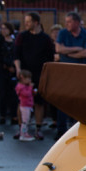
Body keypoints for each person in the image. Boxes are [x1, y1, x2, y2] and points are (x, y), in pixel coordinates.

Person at [13, 12, 56, 140]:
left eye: (28, 21)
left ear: (36, 22)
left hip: (39, 75)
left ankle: (38, 129)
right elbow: (16, 54)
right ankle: (22, 128)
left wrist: (46, 75)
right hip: (25, 74)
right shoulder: (22, 36)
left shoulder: (45, 39)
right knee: (22, 102)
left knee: (39, 102)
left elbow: (50, 58)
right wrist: (18, 69)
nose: (26, 24)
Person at [54, 12, 86, 137]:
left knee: (79, 101)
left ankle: (79, 129)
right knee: (63, 99)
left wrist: (67, 53)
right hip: (65, 71)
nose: (66, 24)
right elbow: (58, 49)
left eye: (69, 21)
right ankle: (61, 129)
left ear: (77, 22)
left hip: (80, 72)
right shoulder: (63, 33)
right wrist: (77, 49)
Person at [0, 21, 18, 126]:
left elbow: (17, 54)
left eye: (5, 28)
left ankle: (14, 116)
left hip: (13, 71)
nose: (3, 30)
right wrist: (7, 66)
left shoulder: (15, 41)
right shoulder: (0, 42)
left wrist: (14, 67)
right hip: (3, 71)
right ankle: (2, 115)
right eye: (2, 28)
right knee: (3, 94)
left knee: (14, 94)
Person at [15, 69, 37, 142]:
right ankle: (23, 135)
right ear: (22, 78)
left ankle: (25, 133)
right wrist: (30, 87)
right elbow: (26, 94)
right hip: (25, 106)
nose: (30, 80)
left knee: (26, 121)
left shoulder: (25, 86)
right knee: (25, 121)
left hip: (28, 105)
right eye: (28, 78)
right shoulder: (21, 87)